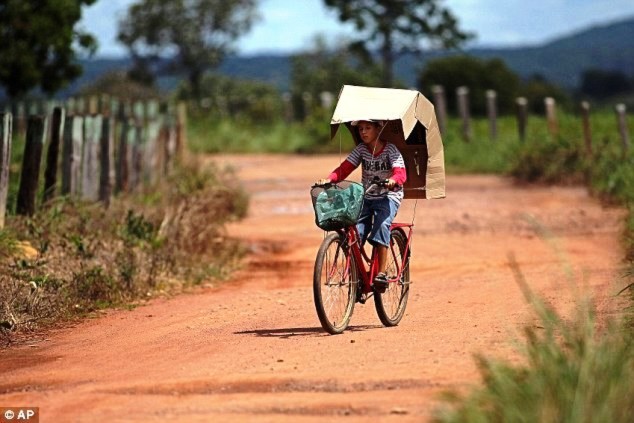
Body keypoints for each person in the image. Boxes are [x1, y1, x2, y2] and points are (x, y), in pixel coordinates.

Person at [316, 120, 407, 289]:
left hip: (388, 195)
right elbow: (345, 168)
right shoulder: (361, 150)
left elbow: (400, 173)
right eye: (360, 129)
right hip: (367, 196)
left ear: (378, 129)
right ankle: (357, 275)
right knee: (356, 232)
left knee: (382, 225)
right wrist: (330, 179)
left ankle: (381, 274)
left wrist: (393, 180)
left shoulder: (390, 150)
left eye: (368, 128)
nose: (363, 132)